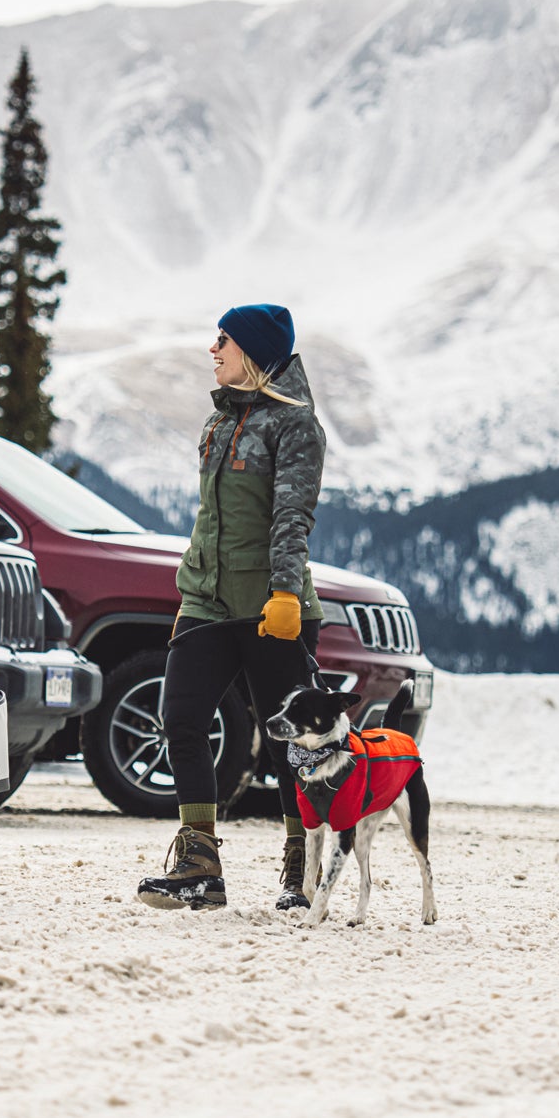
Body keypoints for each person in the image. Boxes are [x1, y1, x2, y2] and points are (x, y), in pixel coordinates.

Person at [136, 303, 326, 911]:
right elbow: (210, 520)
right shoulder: (219, 423)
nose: (211, 350)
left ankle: (305, 861)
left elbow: (291, 517)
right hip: (208, 602)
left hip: (271, 603)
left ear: (253, 350)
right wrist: (191, 591)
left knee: (287, 743)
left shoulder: (295, 425)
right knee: (182, 719)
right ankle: (199, 863)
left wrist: (286, 593)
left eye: (223, 340)